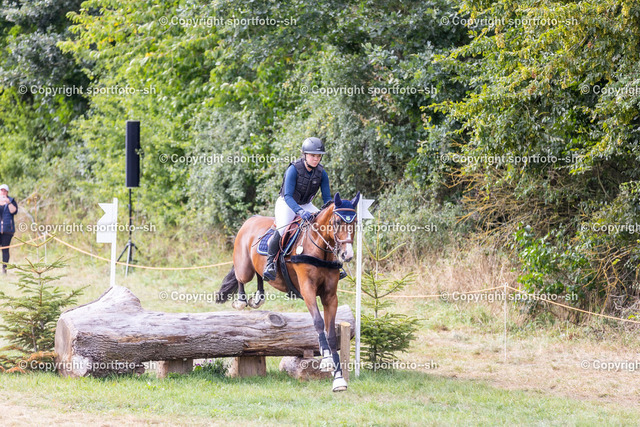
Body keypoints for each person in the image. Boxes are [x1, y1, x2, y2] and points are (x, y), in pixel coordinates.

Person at [263, 137, 332, 281]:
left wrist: (329, 211)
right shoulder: (293, 169)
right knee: (282, 228)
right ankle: (270, 264)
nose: (316, 159)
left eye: (318, 156)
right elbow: (288, 196)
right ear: (305, 155)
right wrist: (300, 211)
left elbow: (327, 199)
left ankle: (333, 262)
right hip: (287, 203)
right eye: (313, 155)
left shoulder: (322, 173)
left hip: (306, 204)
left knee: (325, 225)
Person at [0, 184, 18, 274]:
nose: (3, 192)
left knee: (5, 250)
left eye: (5, 191)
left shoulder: (11, 200)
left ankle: (4, 269)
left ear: (7, 192)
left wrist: (8, 202)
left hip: (7, 230)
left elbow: (14, 211)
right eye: (1, 190)